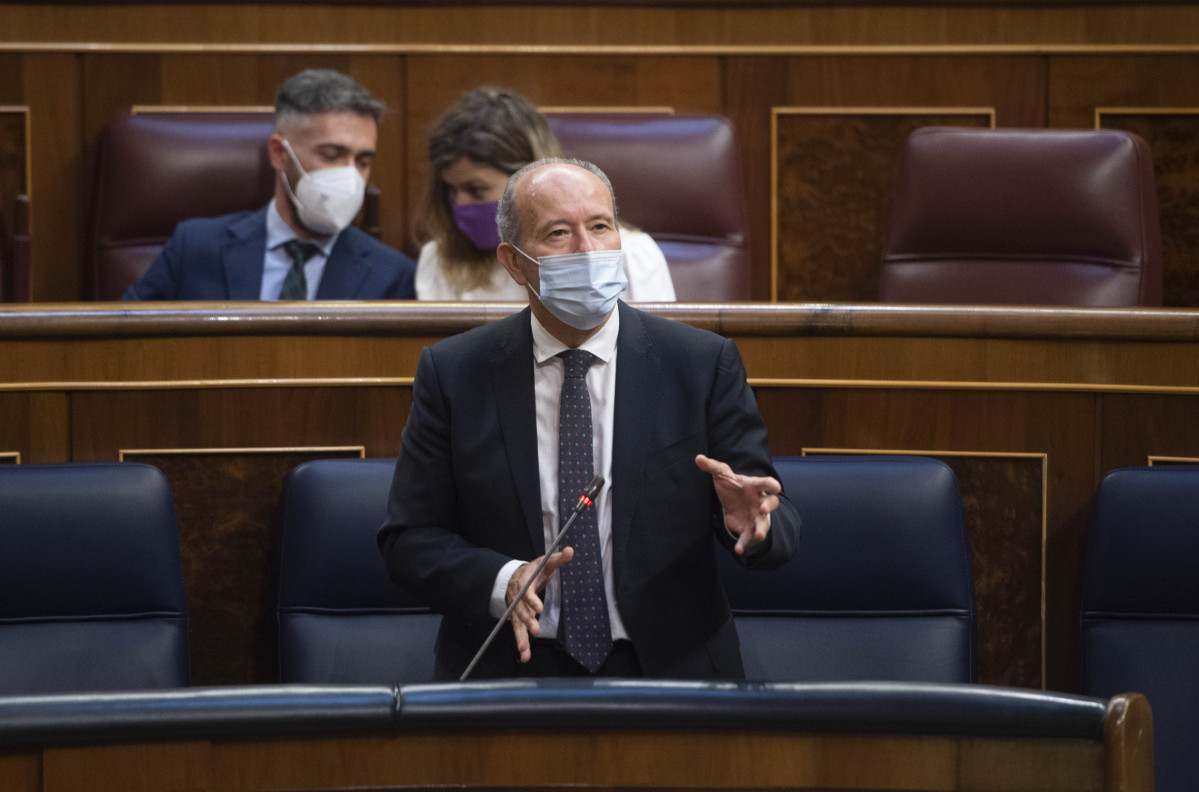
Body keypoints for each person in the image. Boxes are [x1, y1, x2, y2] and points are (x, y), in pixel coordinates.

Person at [378, 158, 798, 681]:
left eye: (601, 226)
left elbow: (772, 516)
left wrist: (755, 527)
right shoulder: (454, 373)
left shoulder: (700, 363)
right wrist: (502, 579)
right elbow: (409, 539)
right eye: (559, 233)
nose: (588, 249)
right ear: (514, 262)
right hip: (511, 668)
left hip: (672, 670)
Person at [124, 69, 416, 301]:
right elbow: (123, 346)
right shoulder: (195, 248)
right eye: (331, 155)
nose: (351, 176)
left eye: (363, 161)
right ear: (279, 153)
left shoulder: (393, 276)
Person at [412, 86, 675, 302]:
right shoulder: (440, 259)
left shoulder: (629, 256)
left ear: (528, 179)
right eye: (451, 190)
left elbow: (659, 355)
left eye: (475, 190)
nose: (459, 204)